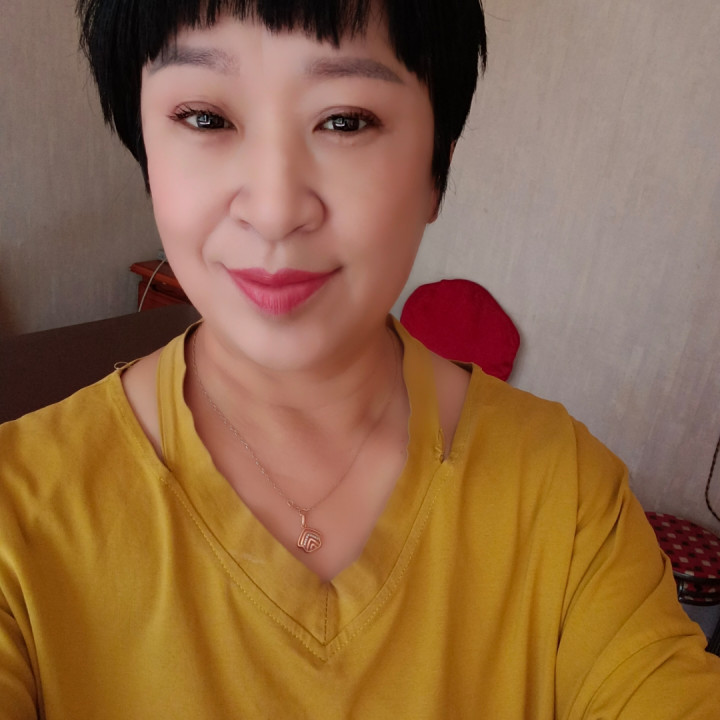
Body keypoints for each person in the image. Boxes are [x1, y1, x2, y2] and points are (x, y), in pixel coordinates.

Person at [1, 0, 719, 716]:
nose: (274, 210)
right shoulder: (17, 513)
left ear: (437, 169)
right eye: (206, 118)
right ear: (147, 155)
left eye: (345, 121)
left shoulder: (571, 499)